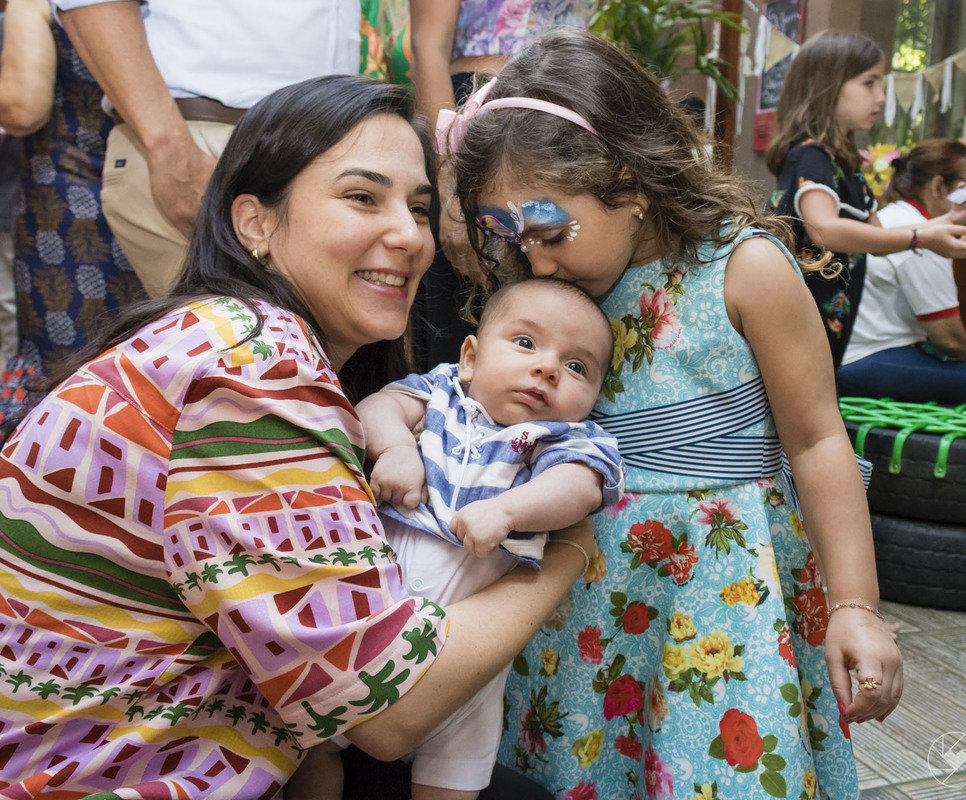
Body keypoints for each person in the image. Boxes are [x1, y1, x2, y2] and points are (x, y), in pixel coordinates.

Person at [0, 74, 596, 797]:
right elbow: (388, 708)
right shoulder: (248, 372)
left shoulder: (232, 340)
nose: (408, 236)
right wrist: (564, 549)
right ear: (254, 221)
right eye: (361, 197)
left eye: (417, 207)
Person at [449, 30, 902, 799]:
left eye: (552, 232)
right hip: (581, 604)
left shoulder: (744, 268)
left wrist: (856, 607)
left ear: (631, 180)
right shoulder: (552, 292)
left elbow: (820, 439)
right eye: (512, 238)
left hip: (721, 600)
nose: (536, 260)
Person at [289, 277, 624, 800]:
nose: (548, 367)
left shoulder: (560, 439)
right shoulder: (443, 393)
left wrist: (509, 509)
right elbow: (377, 406)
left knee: (451, 780)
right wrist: (398, 449)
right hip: (372, 625)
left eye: (577, 366)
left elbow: (579, 489)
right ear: (470, 357)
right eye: (526, 343)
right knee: (307, 750)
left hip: (463, 667)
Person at [54, 0, 361, 296]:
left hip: (323, 143)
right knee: (242, 338)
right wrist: (171, 148)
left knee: (300, 341)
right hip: (205, 142)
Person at [765, 30, 966, 370]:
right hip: (797, 332)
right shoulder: (812, 157)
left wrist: (952, 219)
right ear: (829, 86)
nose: (881, 97)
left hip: (832, 333)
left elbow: (878, 239)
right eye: (870, 83)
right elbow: (823, 228)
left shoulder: (848, 167)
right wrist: (922, 237)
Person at [410, 0, 593, 369]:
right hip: (482, 113)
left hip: (565, 112)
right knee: (476, 319)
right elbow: (427, 47)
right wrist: (450, 183)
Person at [0, 0, 144, 435]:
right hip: (176, 185)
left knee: (66, 364)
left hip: (73, 203)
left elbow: (21, 106)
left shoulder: (38, 2)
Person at [838, 139, 966, 410]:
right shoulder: (922, 237)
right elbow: (949, 338)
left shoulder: (894, 216)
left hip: (850, 355)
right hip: (869, 359)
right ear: (939, 186)